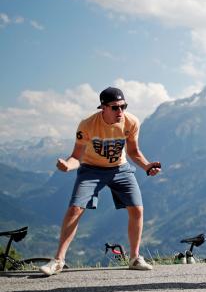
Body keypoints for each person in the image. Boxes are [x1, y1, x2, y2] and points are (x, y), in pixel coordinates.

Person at [39, 87, 161, 276]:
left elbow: (133, 152)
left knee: (137, 209)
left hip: (121, 169)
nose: (120, 111)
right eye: (115, 107)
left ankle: (135, 258)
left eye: (123, 106)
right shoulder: (87, 125)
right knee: (75, 209)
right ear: (103, 108)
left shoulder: (131, 122)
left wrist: (147, 166)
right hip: (91, 170)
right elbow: (76, 157)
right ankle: (58, 261)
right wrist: (67, 166)